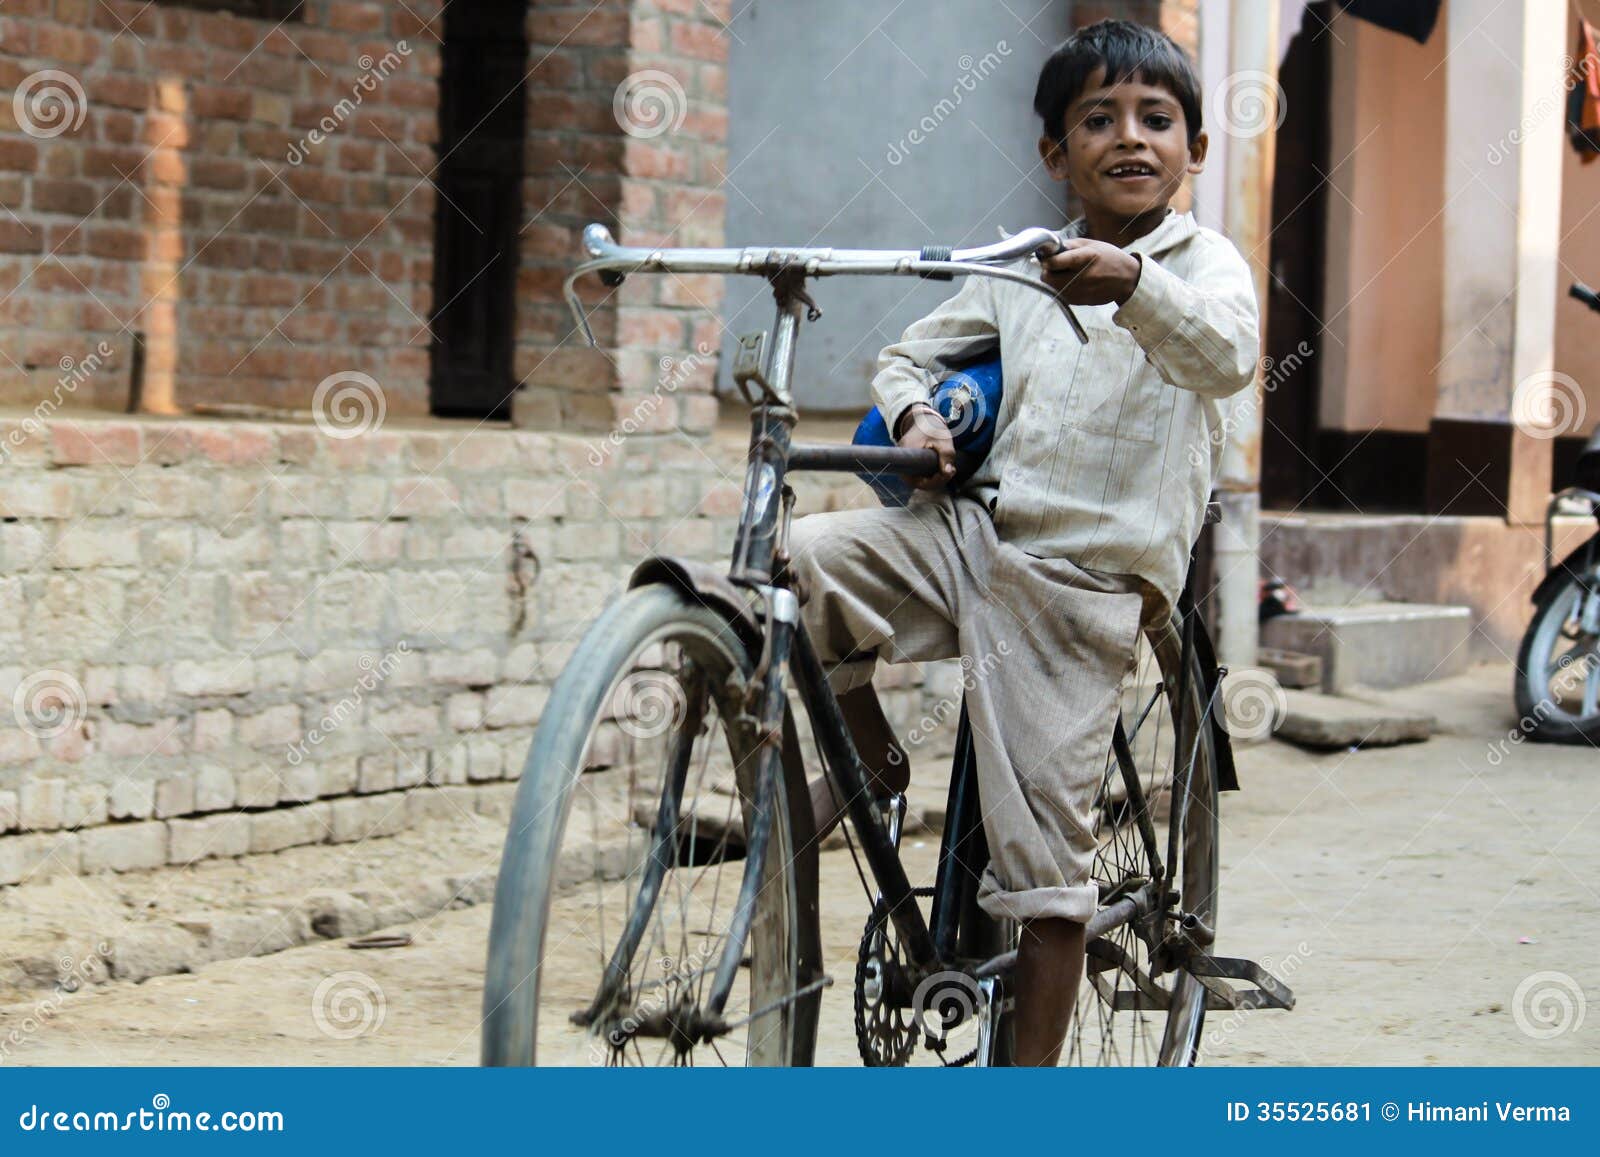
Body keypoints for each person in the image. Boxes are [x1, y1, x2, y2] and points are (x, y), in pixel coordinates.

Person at [784, 19, 1261, 1066]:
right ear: (1056, 153)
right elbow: (908, 353)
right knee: (798, 565)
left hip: (1081, 587)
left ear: (1193, 150)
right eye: (1098, 119)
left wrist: (1135, 286)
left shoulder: (1203, 264)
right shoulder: (1022, 269)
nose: (1129, 139)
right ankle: (868, 750)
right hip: (969, 537)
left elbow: (1228, 355)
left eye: (1156, 120)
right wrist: (913, 418)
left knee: (1045, 883)